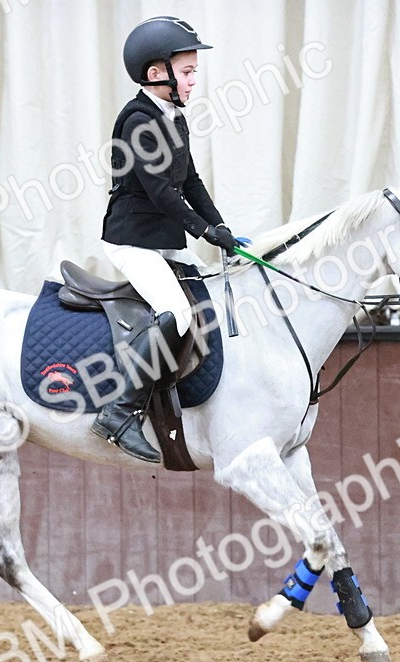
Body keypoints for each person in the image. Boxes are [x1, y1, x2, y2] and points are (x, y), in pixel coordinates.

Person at [93, 15, 239, 463]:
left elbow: (190, 181)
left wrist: (221, 229)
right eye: (189, 71)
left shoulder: (172, 116)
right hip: (132, 240)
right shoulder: (138, 119)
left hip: (163, 239)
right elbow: (160, 191)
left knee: (202, 299)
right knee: (175, 312)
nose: (195, 80)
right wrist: (201, 230)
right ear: (157, 73)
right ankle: (119, 411)